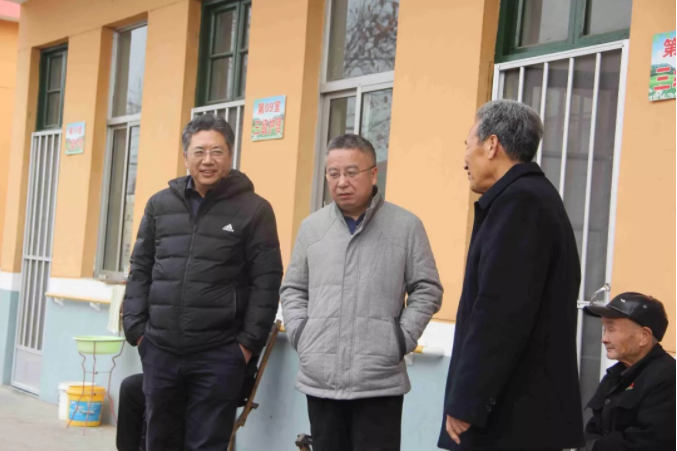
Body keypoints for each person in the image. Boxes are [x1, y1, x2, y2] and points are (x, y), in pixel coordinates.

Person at [122, 114, 283, 451]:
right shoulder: (160, 205)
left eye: (217, 151)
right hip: (160, 350)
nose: (207, 160)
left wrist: (245, 346)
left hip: (219, 354)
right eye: (199, 151)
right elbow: (141, 268)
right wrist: (137, 330)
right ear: (186, 156)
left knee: (206, 445)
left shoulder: (254, 210)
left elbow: (266, 283)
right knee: (159, 441)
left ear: (230, 155)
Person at [280, 133, 443, 451]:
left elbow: (427, 289)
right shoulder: (312, 228)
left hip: (379, 382)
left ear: (373, 173)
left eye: (351, 172)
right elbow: (293, 288)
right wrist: (302, 333)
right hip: (321, 379)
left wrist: (400, 339)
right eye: (333, 173)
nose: (342, 182)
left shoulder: (405, 226)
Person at [438, 100, 584, 451]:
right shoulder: (530, 197)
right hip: (518, 411)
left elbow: (500, 312)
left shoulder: (520, 203)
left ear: (492, 145)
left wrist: (468, 400)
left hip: (511, 416)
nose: (464, 160)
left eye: (468, 145)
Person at [582, 292, 675, 450]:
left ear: (644, 336)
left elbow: (649, 441)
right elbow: (593, 429)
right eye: (604, 329)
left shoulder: (668, 378)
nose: (604, 339)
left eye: (611, 329)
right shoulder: (615, 375)